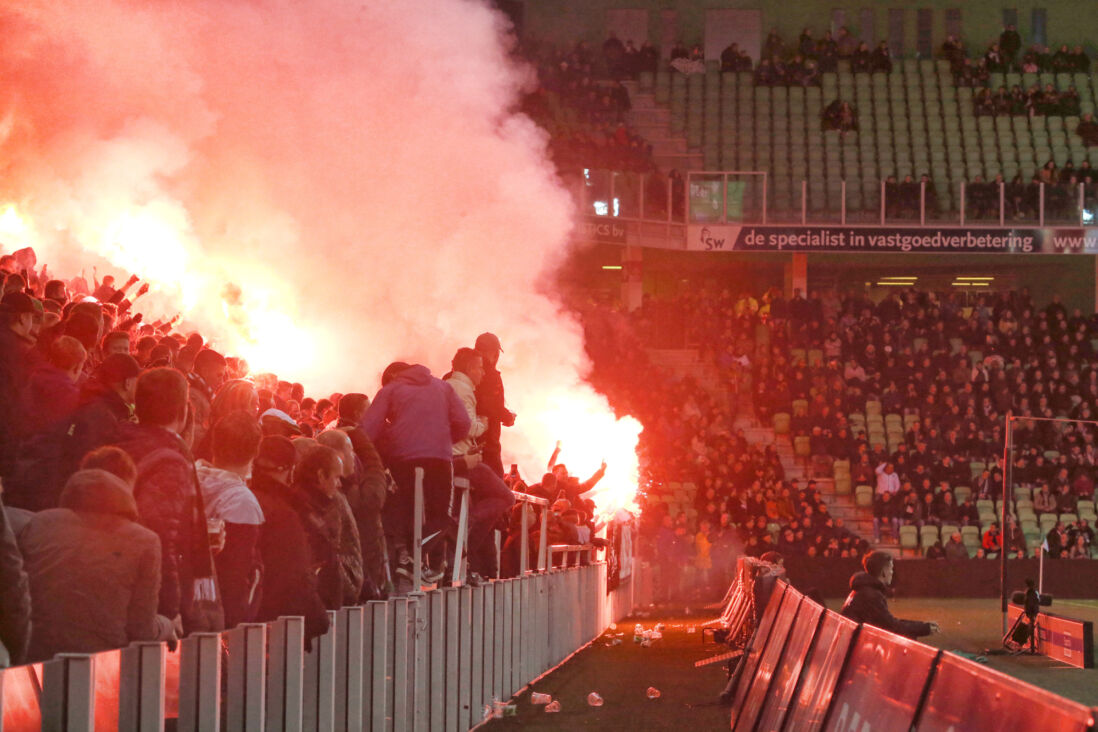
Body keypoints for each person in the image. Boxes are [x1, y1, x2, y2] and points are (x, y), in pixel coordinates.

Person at [19, 469, 175, 661]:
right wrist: (168, 626)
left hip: (36, 658)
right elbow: (141, 629)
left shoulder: (39, 523)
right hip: (102, 662)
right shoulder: (145, 541)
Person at [115, 367, 223, 635]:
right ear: (182, 410)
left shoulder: (120, 442)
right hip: (148, 602)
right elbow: (160, 537)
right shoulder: (170, 459)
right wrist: (171, 611)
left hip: (115, 585)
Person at [360, 361, 469, 585]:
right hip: (438, 458)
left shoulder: (390, 390)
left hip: (403, 459)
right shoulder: (443, 387)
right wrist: (445, 440)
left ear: (392, 375)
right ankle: (420, 558)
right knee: (440, 515)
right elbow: (463, 422)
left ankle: (409, 557)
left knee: (409, 509)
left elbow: (368, 428)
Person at [249, 436, 329, 643]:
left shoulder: (244, 498)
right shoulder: (285, 514)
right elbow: (295, 576)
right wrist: (318, 618)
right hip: (278, 628)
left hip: (245, 619)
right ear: (290, 470)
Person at [444, 347, 515, 580]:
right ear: (469, 368)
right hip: (462, 458)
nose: (483, 373)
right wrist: (485, 422)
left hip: (454, 455)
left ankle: (463, 537)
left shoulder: (449, 385)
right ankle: (464, 526)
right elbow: (466, 427)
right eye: (479, 368)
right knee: (506, 497)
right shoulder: (463, 390)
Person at [195, 411, 264, 629]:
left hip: (191, 608)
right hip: (221, 621)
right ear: (255, 451)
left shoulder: (188, 479)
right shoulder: (242, 502)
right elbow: (236, 573)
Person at [335, 393, 389, 601]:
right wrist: (377, 469)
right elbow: (371, 500)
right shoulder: (357, 436)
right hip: (362, 550)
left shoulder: (338, 432)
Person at [841, 550, 940, 639]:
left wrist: (922, 625)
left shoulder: (862, 590)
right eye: (891, 568)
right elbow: (892, 626)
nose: (892, 572)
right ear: (884, 572)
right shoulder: (871, 595)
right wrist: (924, 628)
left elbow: (889, 622)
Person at [473, 332, 515, 478]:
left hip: (463, 444)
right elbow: (489, 406)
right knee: (499, 494)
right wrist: (507, 416)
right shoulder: (490, 375)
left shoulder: (460, 370)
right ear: (492, 352)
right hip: (487, 445)